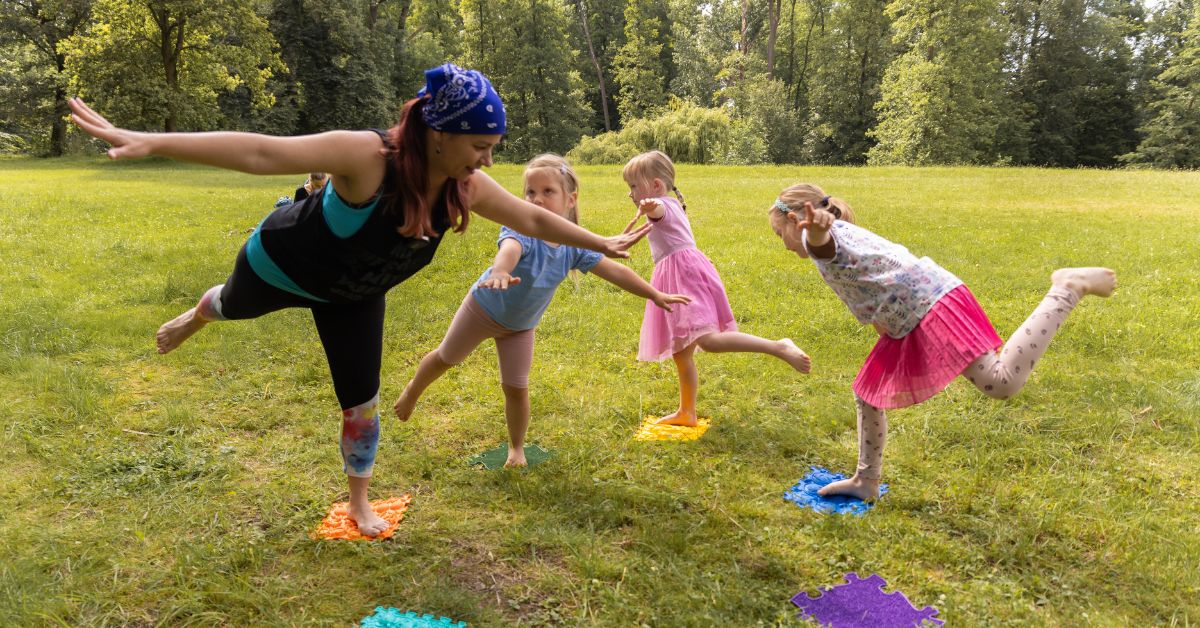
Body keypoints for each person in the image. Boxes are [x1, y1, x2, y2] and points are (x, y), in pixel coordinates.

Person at [68, 63, 650, 537]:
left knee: (361, 402)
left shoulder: (465, 183)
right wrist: (152, 141)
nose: (488, 160)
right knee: (230, 306)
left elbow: (529, 218)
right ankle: (200, 311)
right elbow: (265, 153)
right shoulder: (369, 158)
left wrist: (599, 241)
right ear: (440, 135)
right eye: (480, 146)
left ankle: (358, 502)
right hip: (281, 265)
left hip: (356, 294)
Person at [768, 183, 1117, 500]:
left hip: (929, 306)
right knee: (867, 394)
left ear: (797, 218)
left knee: (1000, 383)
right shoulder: (843, 233)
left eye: (778, 231)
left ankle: (1067, 288)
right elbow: (870, 282)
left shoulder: (821, 240)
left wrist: (814, 231)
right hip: (913, 311)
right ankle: (866, 481)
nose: (781, 242)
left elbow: (821, 243)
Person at [393, 154, 691, 467]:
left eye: (547, 192)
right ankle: (413, 390)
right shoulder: (522, 230)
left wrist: (653, 293)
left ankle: (516, 449)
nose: (537, 199)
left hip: (520, 327)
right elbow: (509, 251)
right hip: (482, 310)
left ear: (570, 199)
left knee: (516, 388)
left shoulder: (573, 245)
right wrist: (499, 271)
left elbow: (614, 271)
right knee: (446, 358)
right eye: (530, 193)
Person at [621, 151, 812, 427]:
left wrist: (649, 205)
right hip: (681, 274)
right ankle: (687, 412)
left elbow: (657, 211)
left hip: (683, 278)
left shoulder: (661, 205)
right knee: (681, 351)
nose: (631, 193)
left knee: (708, 341)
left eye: (634, 186)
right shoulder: (669, 203)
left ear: (656, 186)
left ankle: (778, 347)